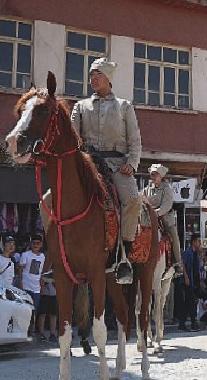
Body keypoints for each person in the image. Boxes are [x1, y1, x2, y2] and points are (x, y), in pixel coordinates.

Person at [70, 57, 142, 284]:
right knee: (53, 198)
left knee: (132, 200)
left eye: (97, 74)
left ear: (108, 78)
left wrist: (132, 163)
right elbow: (73, 139)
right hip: (88, 164)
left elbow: (135, 141)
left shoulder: (124, 106)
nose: (93, 78)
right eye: (91, 74)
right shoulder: (80, 107)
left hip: (116, 165)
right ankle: (58, 258)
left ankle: (124, 254)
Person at [142, 163, 183, 277]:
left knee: (173, 236)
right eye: (152, 174)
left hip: (164, 218)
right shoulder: (147, 188)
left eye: (155, 174)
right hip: (148, 217)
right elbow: (142, 199)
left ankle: (178, 263)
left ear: (161, 176)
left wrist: (156, 213)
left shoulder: (167, 188)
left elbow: (167, 205)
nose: (153, 177)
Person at [17, 234, 46, 334]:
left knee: (35, 309)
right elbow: (20, 269)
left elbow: (42, 273)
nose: (36, 245)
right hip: (26, 285)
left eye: (38, 243)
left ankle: (31, 329)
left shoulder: (43, 257)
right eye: (34, 243)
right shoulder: (25, 255)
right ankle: (22, 328)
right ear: (31, 243)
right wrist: (20, 283)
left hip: (37, 287)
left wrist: (42, 286)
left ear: (41, 244)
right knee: (25, 308)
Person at [177, 234, 203, 331]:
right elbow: (183, 264)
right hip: (187, 281)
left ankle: (184, 323)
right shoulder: (188, 252)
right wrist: (186, 277)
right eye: (198, 241)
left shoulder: (195, 253)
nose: (199, 243)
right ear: (193, 242)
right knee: (190, 302)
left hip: (193, 281)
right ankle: (192, 323)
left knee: (189, 303)